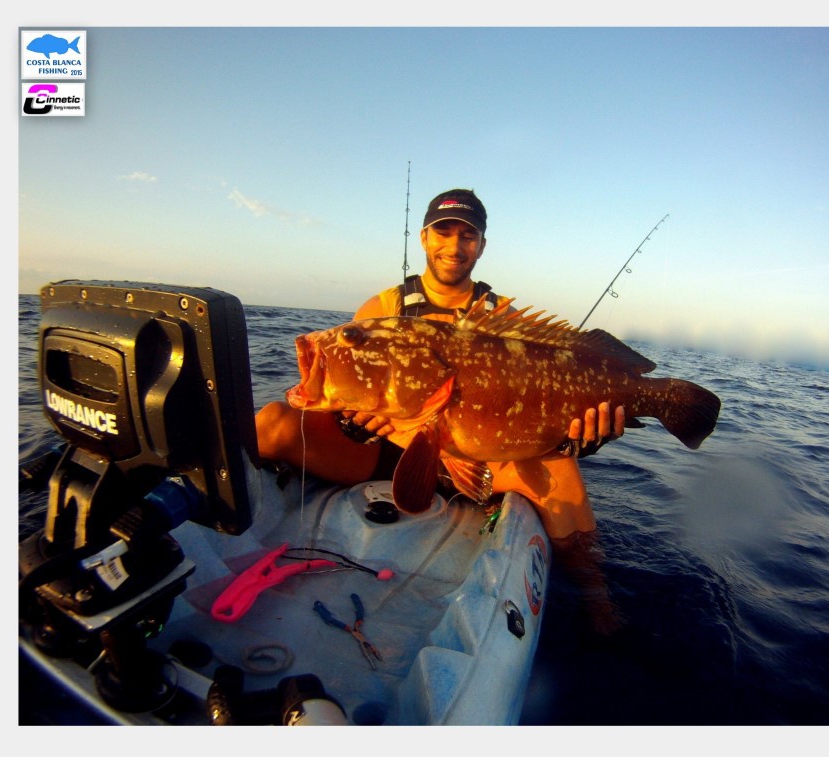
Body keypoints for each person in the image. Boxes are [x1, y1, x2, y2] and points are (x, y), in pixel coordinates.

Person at [255, 188, 625, 632]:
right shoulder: (384, 309)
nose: (454, 245)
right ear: (425, 239)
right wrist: (355, 426)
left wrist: (574, 435)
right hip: (388, 449)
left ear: (481, 246)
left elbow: (532, 405)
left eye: (468, 235)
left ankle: (597, 601)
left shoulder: (498, 317)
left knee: (562, 472)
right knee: (272, 422)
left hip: (472, 453)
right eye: (443, 232)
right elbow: (352, 397)